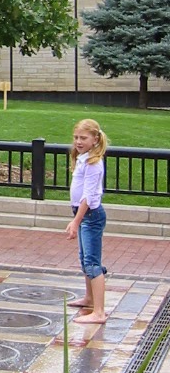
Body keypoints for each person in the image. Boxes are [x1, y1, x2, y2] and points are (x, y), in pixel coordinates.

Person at [65, 118, 109, 324]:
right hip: (84, 215)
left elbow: (88, 197)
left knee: (92, 263)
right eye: (76, 137)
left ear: (95, 140)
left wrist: (76, 221)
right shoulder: (83, 159)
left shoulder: (93, 163)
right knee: (84, 259)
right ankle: (90, 298)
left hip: (90, 216)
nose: (78, 141)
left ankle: (99, 312)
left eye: (83, 138)